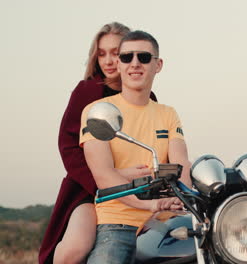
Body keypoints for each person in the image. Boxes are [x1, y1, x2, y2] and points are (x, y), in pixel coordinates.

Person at [39, 23, 158, 264]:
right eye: (101, 54)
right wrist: (108, 179)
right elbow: (68, 147)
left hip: (135, 190)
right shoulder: (88, 91)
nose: (108, 61)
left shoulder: (150, 99)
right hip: (88, 190)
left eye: (115, 53)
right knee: (76, 248)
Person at [80, 30, 192, 263]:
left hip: (164, 221)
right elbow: (103, 175)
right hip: (117, 224)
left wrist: (180, 202)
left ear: (158, 64)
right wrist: (149, 203)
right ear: (118, 65)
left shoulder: (168, 114)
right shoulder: (98, 112)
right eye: (126, 57)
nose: (134, 64)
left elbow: (181, 164)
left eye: (143, 57)